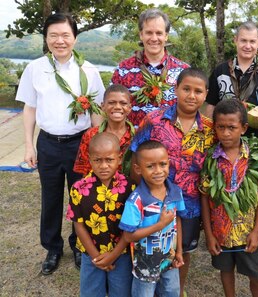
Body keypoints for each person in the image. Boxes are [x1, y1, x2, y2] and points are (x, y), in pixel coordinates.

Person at [16, 13, 105, 274]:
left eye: (65, 35)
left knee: (82, 197)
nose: (60, 40)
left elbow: (97, 112)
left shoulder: (88, 70)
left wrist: (97, 144)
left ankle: (80, 246)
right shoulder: (35, 68)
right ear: (46, 38)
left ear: (75, 38)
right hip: (48, 144)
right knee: (51, 198)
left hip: (80, 144)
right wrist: (29, 146)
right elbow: (30, 109)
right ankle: (53, 248)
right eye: (53, 35)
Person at [128, 67, 215, 297]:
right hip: (151, 202)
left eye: (198, 91)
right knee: (148, 248)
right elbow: (135, 157)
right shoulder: (154, 120)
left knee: (181, 252)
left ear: (206, 94)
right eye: (186, 89)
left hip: (189, 205)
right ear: (176, 89)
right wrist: (143, 195)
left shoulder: (209, 129)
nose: (191, 95)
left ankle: (177, 291)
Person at [200, 99, 258, 297]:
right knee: (226, 270)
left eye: (232, 127)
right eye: (220, 127)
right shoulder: (210, 159)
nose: (226, 133)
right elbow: (205, 198)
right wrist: (209, 233)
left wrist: (256, 231)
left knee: (257, 275)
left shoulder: (255, 159)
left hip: (247, 232)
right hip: (220, 232)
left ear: (244, 128)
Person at [67, 133, 134, 297]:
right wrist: (96, 257)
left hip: (121, 255)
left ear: (119, 158)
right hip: (90, 256)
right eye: (97, 160)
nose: (103, 166)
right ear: (89, 159)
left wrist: (114, 255)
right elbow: (78, 224)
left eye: (109, 160)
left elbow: (131, 226)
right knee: (91, 293)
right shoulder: (78, 188)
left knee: (121, 293)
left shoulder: (129, 187)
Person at [119, 140, 185, 297]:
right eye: (150, 166)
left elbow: (177, 221)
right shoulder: (136, 201)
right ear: (138, 169)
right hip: (145, 266)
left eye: (163, 164)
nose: (158, 171)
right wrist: (160, 225)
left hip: (169, 261)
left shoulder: (175, 192)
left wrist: (179, 251)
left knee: (171, 292)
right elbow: (128, 235)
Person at [205, 20, 258, 147]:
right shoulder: (221, 71)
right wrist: (212, 128)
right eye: (243, 40)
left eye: (252, 41)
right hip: (224, 141)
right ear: (235, 40)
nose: (248, 46)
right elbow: (211, 103)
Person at [111, 8, 190, 128]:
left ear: (166, 36)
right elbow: (111, 108)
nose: (154, 38)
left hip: (169, 144)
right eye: (149, 33)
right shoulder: (123, 70)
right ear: (141, 35)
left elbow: (190, 110)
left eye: (159, 33)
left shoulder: (183, 71)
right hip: (132, 144)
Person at [74, 84, 134, 176]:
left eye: (123, 103)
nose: (117, 107)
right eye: (111, 102)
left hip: (130, 189)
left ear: (129, 108)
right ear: (103, 106)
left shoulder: (137, 136)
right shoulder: (91, 135)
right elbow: (84, 171)